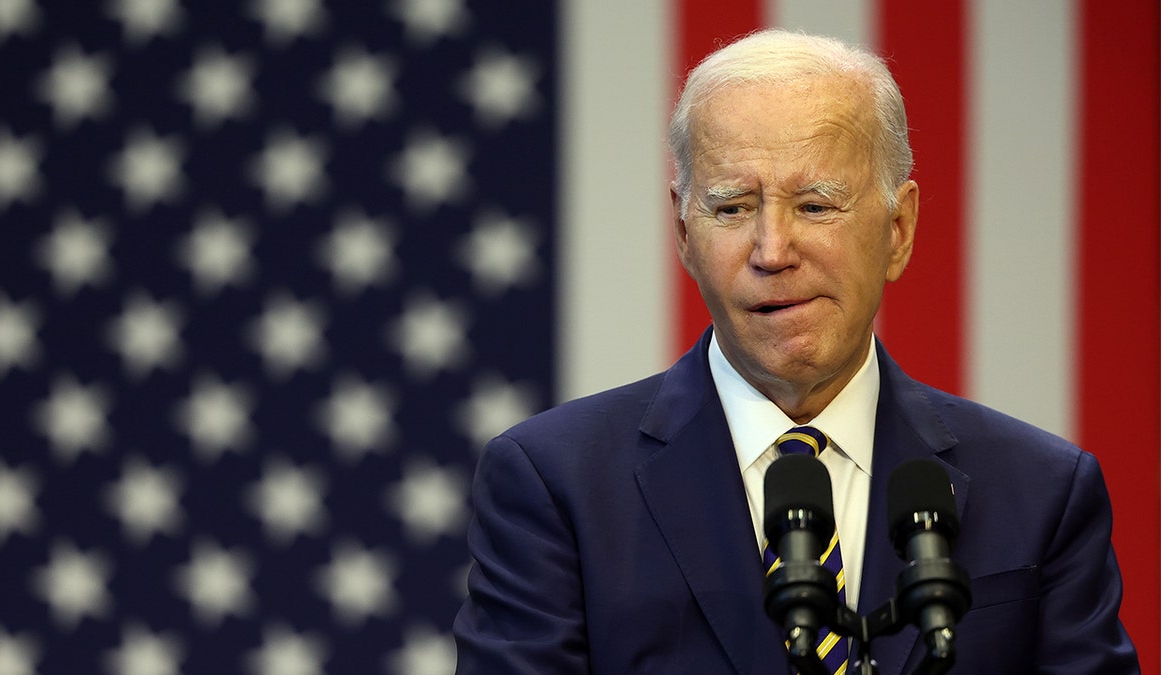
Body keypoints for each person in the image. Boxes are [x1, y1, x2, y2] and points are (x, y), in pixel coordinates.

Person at [453, 28, 1139, 674]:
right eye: (731, 207)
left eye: (815, 205)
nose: (773, 250)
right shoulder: (556, 484)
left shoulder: (1044, 491)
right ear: (683, 232)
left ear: (898, 229)